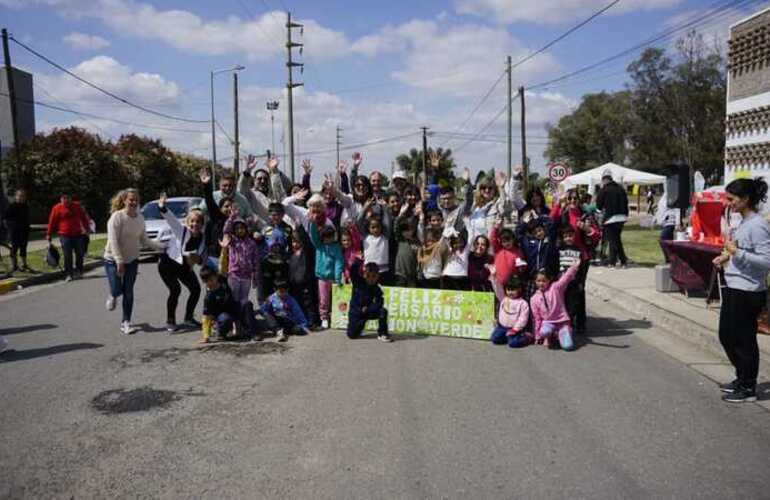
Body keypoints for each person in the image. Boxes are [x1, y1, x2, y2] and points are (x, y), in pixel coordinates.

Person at [712, 178, 770, 403]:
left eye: (731, 199)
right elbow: (740, 249)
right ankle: (741, 377)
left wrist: (737, 253)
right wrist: (725, 256)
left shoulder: (758, 225)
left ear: (745, 199)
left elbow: (766, 261)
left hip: (749, 290)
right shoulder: (743, 222)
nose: (728, 203)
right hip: (734, 285)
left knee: (744, 339)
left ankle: (748, 387)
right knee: (726, 335)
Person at [104, 189, 165, 335]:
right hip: (112, 259)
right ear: (124, 200)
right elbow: (113, 241)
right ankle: (112, 294)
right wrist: (119, 261)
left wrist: (162, 247)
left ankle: (126, 322)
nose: (133, 202)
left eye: (136, 200)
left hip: (132, 260)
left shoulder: (140, 218)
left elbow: (144, 239)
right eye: (131, 200)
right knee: (117, 290)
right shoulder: (116, 217)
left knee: (128, 292)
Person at [157, 193, 206, 332]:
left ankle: (189, 318)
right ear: (187, 222)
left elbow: (201, 258)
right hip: (167, 265)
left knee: (195, 289)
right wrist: (162, 206)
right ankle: (170, 321)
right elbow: (170, 218)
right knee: (175, 290)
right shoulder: (182, 231)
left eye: (198, 222)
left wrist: (197, 259)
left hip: (184, 268)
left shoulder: (202, 238)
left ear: (202, 224)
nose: (194, 224)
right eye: (192, 221)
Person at [530, 262, 580, 351]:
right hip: (548, 323)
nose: (541, 283)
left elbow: (566, 278)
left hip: (562, 321)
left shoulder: (556, 288)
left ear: (549, 280)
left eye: (544, 280)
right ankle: (550, 336)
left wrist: (574, 267)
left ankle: (565, 331)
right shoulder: (534, 299)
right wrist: (537, 335)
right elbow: (537, 318)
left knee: (568, 346)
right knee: (544, 332)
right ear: (535, 281)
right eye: (538, 281)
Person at [200, 266, 257, 343]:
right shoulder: (209, 297)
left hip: (233, 308)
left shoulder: (222, 279)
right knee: (225, 318)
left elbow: (224, 266)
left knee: (247, 303)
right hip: (221, 316)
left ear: (216, 277)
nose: (209, 283)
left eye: (211, 280)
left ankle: (251, 332)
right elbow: (206, 317)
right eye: (206, 281)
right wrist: (206, 336)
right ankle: (220, 332)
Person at [308, 222, 344, 329]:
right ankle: (324, 318)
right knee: (323, 299)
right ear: (322, 237)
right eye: (326, 237)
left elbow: (339, 262)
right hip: (322, 278)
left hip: (333, 278)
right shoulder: (319, 245)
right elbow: (313, 235)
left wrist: (337, 277)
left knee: (335, 298)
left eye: (330, 237)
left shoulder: (336, 247)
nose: (328, 239)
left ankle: (335, 316)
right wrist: (313, 223)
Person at [46, 193, 90, 281]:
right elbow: (52, 221)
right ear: (61, 199)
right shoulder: (57, 208)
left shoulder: (77, 206)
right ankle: (68, 274)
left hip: (78, 234)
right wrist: (49, 233)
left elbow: (83, 218)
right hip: (64, 235)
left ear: (70, 199)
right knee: (67, 255)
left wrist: (87, 229)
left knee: (79, 253)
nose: (65, 201)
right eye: (63, 199)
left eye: (67, 199)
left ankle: (79, 271)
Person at [346, 259, 392, 342]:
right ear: (364, 275)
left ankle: (382, 333)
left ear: (378, 276)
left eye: (374, 276)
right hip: (356, 313)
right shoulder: (358, 282)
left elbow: (379, 303)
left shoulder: (377, 288)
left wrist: (368, 308)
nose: (371, 279)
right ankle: (359, 327)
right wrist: (358, 260)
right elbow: (352, 271)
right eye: (368, 276)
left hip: (368, 311)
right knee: (352, 335)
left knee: (383, 311)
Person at [220, 217, 260, 306]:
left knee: (244, 298)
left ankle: (243, 317)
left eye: (242, 228)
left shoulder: (251, 243)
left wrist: (255, 276)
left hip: (247, 276)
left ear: (246, 229)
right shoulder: (232, 241)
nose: (240, 230)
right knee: (234, 298)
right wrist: (231, 218)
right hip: (234, 275)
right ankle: (235, 317)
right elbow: (226, 230)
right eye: (237, 228)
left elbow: (255, 261)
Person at [557, 226, 589, 335]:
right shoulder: (559, 249)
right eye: (565, 236)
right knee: (563, 304)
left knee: (574, 304)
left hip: (574, 282)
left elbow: (583, 269)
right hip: (561, 282)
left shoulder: (579, 250)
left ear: (574, 236)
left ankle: (577, 324)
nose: (568, 238)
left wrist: (581, 282)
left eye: (570, 236)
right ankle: (566, 324)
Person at [288, 225, 320, 329]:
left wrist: (300, 230)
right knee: (298, 303)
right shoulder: (291, 255)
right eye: (293, 242)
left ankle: (312, 322)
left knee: (309, 303)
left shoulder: (306, 252)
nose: (295, 244)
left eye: (298, 242)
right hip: (295, 285)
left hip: (306, 283)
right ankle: (301, 321)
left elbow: (306, 242)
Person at [596, 170, 629, 267]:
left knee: (613, 240)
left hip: (610, 218)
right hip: (622, 217)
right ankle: (614, 260)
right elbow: (626, 202)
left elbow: (599, 206)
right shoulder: (620, 188)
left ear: (604, 180)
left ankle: (620, 261)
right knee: (616, 239)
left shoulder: (604, 189)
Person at [489, 275, 531, 348]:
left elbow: (523, 319)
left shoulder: (523, 303)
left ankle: (526, 338)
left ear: (519, 289)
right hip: (502, 327)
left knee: (513, 343)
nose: (510, 292)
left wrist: (515, 329)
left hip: (515, 329)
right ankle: (507, 338)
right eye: (508, 289)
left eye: (513, 290)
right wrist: (493, 278)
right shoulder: (503, 298)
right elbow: (497, 289)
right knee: (494, 339)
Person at [3, 189, 33, 273]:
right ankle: (14, 266)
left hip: (24, 231)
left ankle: (24, 265)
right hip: (14, 231)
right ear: (15, 197)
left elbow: (27, 218)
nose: (21, 197)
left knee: (23, 248)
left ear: (25, 197)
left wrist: (28, 226)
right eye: (19, 196)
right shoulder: (12, 206)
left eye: (23, 196)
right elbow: (5, 219)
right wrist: (10, 228)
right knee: (14, 249)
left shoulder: (26, 206)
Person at [394, 219, 419, 288]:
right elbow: (395, 226)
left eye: (409, 230)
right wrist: (401, 215)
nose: (407, 232)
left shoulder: (416, 242)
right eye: (404, 230)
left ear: (413, 230)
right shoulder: (400, 240)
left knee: (412, 293)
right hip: (400, 273)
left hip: (412, 274)